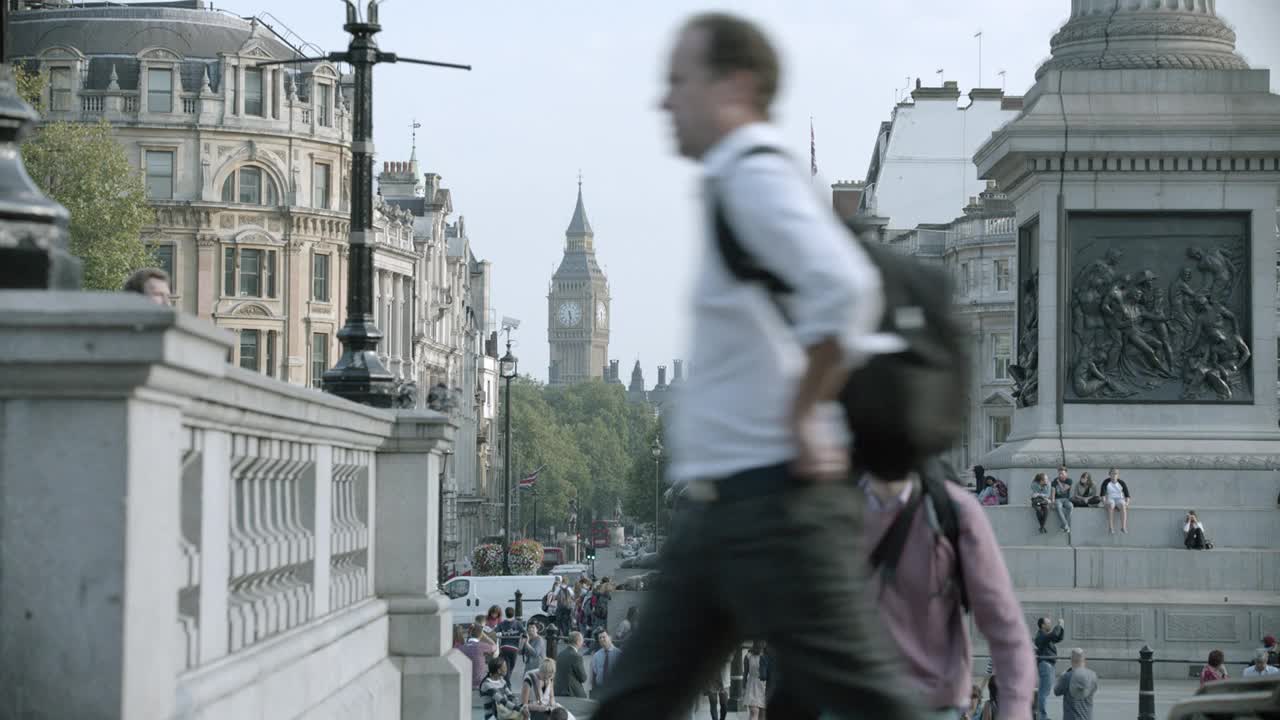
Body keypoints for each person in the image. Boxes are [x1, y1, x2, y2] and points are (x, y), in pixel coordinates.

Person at [591, 12, 921, 720]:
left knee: (872, 703)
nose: (663, 99)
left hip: (774, 505)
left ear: (734, 85)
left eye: (680, 80)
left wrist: (804, 411)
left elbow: (847, 290)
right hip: (726, 508)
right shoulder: (741, 179)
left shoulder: (753, 176)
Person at [851, 451, 1035, 719]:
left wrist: (1015, 710)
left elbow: (1005, 626)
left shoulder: (953, 508)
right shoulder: (830, 507)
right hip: (847, 702)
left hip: (929, 706)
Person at [1053, 648, 1098, 720]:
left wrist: (1061, 678)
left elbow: (1056, 692)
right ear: (1084, 659)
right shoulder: (1093, 675)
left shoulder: (1067, 676)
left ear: (1071, 659)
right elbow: (1094, 690)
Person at [1034, 618, 1066, 720]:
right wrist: (1059, 625)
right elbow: (1053, 635)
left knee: (1044, 692)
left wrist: (1062, 627)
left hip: (1048, 665)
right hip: (1046, 665)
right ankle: (1041, 716)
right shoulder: (1041, 636)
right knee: (1043, 692)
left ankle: (1041, 715)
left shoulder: (1046, 637)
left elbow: (1058, 638)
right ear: (1042, 625)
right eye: (1048, 623)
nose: (1050, 625)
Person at [460, 623, 499, 690]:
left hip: (464, 683)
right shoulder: (482, 646)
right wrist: (484, 636)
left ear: (469, 634)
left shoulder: (461, 648)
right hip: (479, 683)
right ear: (481, 635)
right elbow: (495, 647)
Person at [554, 631, 588, 699]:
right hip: (572, 693)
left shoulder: (560, 654)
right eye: (582, 640)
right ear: (578, 641)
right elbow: (583, 678)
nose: (582, 643)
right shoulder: (576, 656)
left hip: (558, 691)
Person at [591, 631, 623, 699]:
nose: (602, 639)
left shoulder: (619, 654)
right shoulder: (596, 655)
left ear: (610, 638)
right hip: (599, 691)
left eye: (604, 637)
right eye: (600, 638)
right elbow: (594, 675)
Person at [1099, 468, 1130, 534]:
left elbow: (1127, 495)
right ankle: (1111, 527)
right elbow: (1102, 494)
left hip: (1119, 499)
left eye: (1116, 473)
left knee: (1123, 505)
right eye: (1112, 473)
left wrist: (1127, 503)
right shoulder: (1106, 482)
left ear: (1118, 475)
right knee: (1111, 505)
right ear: (1109, 474)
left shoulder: (1121, 482)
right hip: (1111, 498)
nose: (1114, 475)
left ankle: (1123, 527)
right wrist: (1104, 503)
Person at [742, 642, 768, 720]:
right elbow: (745, 673)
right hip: (752, 686)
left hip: (765, 686)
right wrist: (743, 688)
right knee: (754, 712)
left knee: (762, 715)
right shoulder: (748, 656)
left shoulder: (767, 655)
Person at [1051, 466, 1073, 534]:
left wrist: (1059, 482)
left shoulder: (1069, 480)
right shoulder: (1055, 481)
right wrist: (1053, 501)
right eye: (1059, 473)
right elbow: (1053, 492)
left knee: (1070, 506)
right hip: (1058, 499)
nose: (1060, 475)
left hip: (1066, 499)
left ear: (1066, 474)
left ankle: (1063, 525)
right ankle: (1066, 525)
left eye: (1062, 473)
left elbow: (1063, 490)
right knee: (1058, 507)